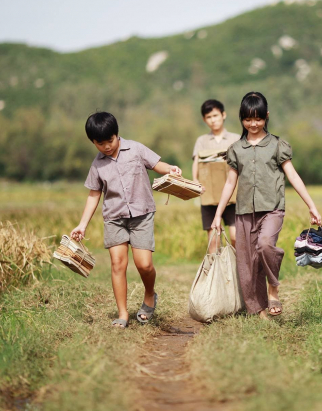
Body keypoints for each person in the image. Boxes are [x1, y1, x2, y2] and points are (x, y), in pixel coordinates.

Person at [211, 92, 322, 319]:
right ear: (241, 118)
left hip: (272, 209)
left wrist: (311, 205)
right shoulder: (235, 149)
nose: (253, 124)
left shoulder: (277, 145)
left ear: (266, 116)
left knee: (265, 246)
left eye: (258, 119)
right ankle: (259, 311)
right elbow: (230, 183)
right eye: (248, 119)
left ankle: (273, 288)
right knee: (248, 265)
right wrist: (217, 214)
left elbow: (293, 176)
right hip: (243, 213)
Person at [70, 112, 182, 328]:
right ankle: (123, 314)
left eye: (109, 141)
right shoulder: (97, 165)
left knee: (145, 264)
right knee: (117, 264)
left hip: (142, 215)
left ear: (117, 134)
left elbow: (158, 165)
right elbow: (94, 195)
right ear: (93, 142)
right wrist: (82, 225)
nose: (106, 147)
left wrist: (172, 169)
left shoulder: (136, 149)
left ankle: (150, 295)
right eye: (99, 143)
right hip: (114, 218)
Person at [192, 99, 240, 253]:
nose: (213, 120)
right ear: (204, 120)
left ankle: (237, 271)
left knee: (236, 237)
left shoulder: (235, 138)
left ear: (223, 115)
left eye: (215, 115)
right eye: (209, 117)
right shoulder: (202, 141)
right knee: (214, 240)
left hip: (233, 197)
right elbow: (197, 163)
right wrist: (195, 181)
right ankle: (216, 274)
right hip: (209, 197)